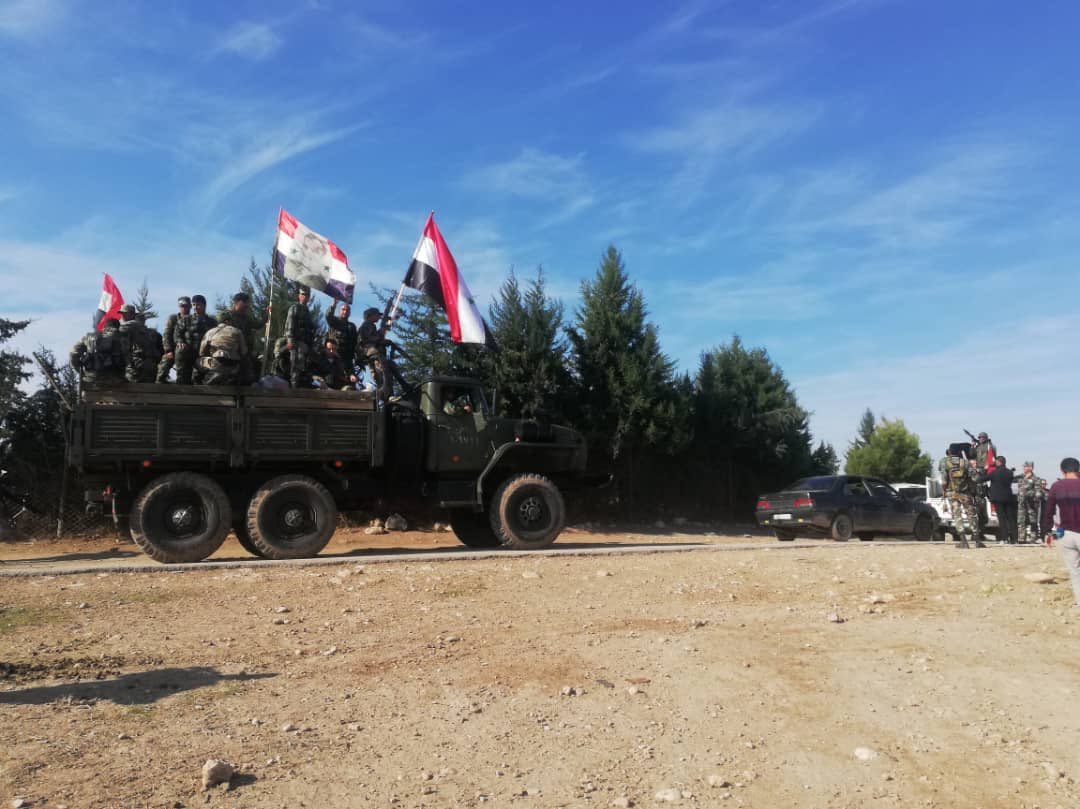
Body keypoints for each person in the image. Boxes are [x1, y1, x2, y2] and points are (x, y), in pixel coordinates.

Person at [1042, 457, 1080, 608]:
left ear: (1062, 471)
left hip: (1066, 534)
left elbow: (1048, 511)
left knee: (1074, 571)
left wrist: (1046, 531)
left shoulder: (1057, 486)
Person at [942, 447, 983, 548]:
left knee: (957, 516)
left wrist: (944, 491)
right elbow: (975, 478)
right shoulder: (965, 463)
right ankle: (977, 541)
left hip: (953, 494)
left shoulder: (946, 464)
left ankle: (964, 541)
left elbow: (944, 481)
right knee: (971, 515)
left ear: (950, 453)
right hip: (965, 493)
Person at [174, 294, 217, 385]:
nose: (195, 307)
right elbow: (177, 333)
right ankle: (181, 385)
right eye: (193, 305)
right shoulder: (185, 320)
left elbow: (216, 337)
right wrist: (180, 342)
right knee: (180, 350)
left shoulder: (212, 322)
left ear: (204, 305)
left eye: (198, 305)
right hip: (188, 352)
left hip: (204, 354)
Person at [69, 318, 127, 385]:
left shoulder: (89, 337)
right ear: (118, 327)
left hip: (92, 378)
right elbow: (128, 357)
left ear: (105, 326)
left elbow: (73, 354)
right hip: (115, 379)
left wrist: (80, 371)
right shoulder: (122, 338)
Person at [977, 455, 1017, 544]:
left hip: (998, 499)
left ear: (999, 462)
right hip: (1008, 498)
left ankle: (1005, 538)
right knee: (1011, 519)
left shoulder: (995, 473)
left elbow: (981, 479)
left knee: (1002, 519)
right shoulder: (1010, 473)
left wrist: (983, 471)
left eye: (996, 462)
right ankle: (1014, 539)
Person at [118, 304, 162, 383]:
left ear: (132, 314)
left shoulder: (133, 324)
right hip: (147, 365)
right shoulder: (147, 330)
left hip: (136, 365)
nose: (122, 316)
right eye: (122, 314)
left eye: (125, 314)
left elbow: (120, 328)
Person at [219, 292, 257, 382]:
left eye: (248, 303)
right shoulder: (226, 315)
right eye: (245, 302)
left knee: (246, 374)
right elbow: (220, 329)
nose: (247, 305)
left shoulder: (246, 318)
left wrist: (267, 315)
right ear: (237, 302)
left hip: (244, 351)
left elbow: (257, 325)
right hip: (229, 350)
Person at [284, 285, 315, 389]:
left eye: (307, 295)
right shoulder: (295, 308)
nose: (305, 297)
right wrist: (290, 339)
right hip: (295, 342)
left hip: (304, 343)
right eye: (303, 294)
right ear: (299, 296)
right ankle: (293, 387)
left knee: (302, 365)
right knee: (295, 364)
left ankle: (298, 386)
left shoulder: (306, 310)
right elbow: (289, 324)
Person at [156, 296, 190, 383]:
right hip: (174, 349)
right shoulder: (173, 318)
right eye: (181, 306)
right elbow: (167, 334)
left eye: (185, 306)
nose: (183, 308)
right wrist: (168, 350)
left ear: (190, 306)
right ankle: (159, 384)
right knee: (165, 363)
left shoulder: (193, 319)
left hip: (188, 350)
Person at [325, 300, 359, 378]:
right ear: (339, 311)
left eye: (347, 310)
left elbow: (355, 342)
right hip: (334, 355)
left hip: (347, 358)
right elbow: (328, 316)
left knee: (349, 380)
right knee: (332, 377)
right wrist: (334, 304)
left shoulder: (352, 326)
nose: (345, 311)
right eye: (343, 309)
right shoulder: (334, 321)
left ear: (349, 313)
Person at [1016, 461, 1047, 544]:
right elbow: (1010, 479)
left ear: (1031, 468)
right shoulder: (1020, 477)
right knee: (1021, 520)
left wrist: (1035, 496)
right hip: (1021, 503)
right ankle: (1021, 538)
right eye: (1024, 466)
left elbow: (1038, 491)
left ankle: (1033, 538)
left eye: (1026, 466)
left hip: (1031, 503)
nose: (1024, 468)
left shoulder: (1036, 478)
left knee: (1033, 521)